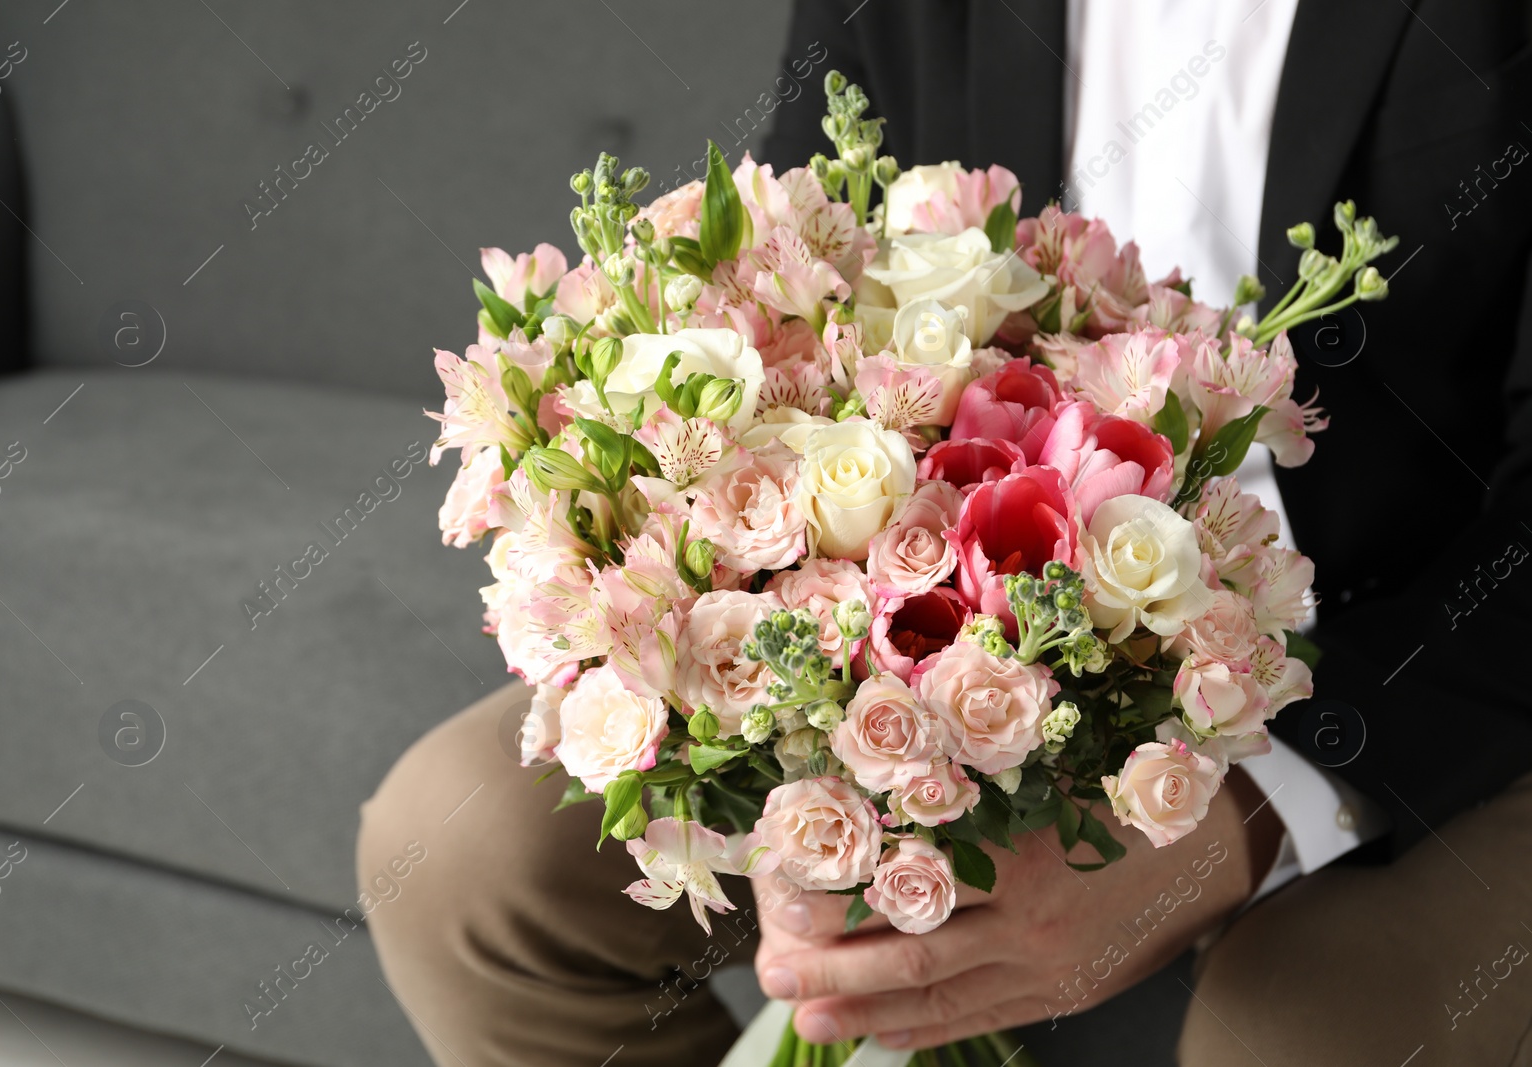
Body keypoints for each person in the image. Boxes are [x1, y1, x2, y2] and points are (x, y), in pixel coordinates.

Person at [359, 2, 1532, 1063]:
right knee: (459, 852)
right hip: (989, 621)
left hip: (1445, 680)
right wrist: (795, 744)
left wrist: (1260, 802)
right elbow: (796, 285)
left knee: (1289, 1036)